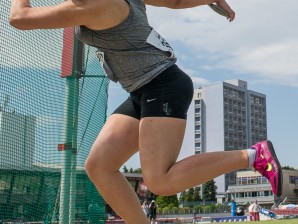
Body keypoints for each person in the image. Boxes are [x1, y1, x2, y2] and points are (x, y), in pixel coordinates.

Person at [9, 0, 282, 223]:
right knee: (100, 166)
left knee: (160, 181)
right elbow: (173, 0)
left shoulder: (94, 5)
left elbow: (19, 17)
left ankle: (254, 155)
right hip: (143, 90)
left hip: (161, 86)